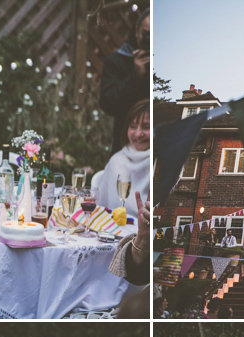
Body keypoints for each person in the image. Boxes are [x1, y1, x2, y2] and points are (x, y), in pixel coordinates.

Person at [99, 8, 149, 150]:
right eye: (146, 34)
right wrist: (135, 77)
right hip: (125, 142)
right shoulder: (116, 61)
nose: (148, 40)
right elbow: (107, 104)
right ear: (137, 31)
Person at [95, 100, 149, 220]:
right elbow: (101, 205)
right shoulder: (116, 160)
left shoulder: (158, 162)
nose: (138, 134)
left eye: (146, 127)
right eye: (133, 127)